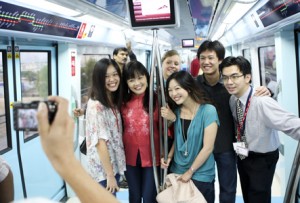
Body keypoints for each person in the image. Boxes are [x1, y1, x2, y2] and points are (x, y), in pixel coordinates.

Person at [195, 40, 271, 203]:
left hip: (227, 146)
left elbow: (249, 94)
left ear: (220, 60)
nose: (206, 62)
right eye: (202, 58)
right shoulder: (194, 85)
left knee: (228, 189)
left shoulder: (231, 84)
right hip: (201, 146)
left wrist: (267, 90)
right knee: (203, 188)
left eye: (211, 57)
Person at [220, 56, 300, 203]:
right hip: (243, 154)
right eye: (225, 78)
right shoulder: (233, 99)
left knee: (259, 198)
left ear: (247, 77)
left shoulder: (263, 102)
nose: (229, 82)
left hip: (262, 159)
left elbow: (293, 124)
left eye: (234, 76)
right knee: (248, 196)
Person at [37, 96, 118, 203]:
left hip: (112, 162)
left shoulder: (113, 100)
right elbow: (100, 142)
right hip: (103, 166)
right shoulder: (95, 104)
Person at [161, 71, 219, 203]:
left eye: (177, 88)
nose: (173, 94)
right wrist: (169, 156)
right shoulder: (176, 112)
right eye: (170, 90)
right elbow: (180, 140)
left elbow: (208, 148)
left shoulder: (208, 111)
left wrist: (190, 171)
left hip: (201, 173)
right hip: (177, 170)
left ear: (188, 88)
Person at [85, 58, 126, 196]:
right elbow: (100, 142)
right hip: (103, 171)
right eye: (106, 76)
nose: (112, 79)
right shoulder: (96, 106)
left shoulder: (111, 99)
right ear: (98, 79)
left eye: (115, 74)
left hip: (113, 164)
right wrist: (109, 175)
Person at [121, 61, 160, 203]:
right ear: (126, 83)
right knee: (135, 196)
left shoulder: (156, 99)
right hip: (129, 156)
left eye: (140, 78)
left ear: (147, 77)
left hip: (152, 155)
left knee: (149, 196)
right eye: (131, 80)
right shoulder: (123, 101)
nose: (137, 83)